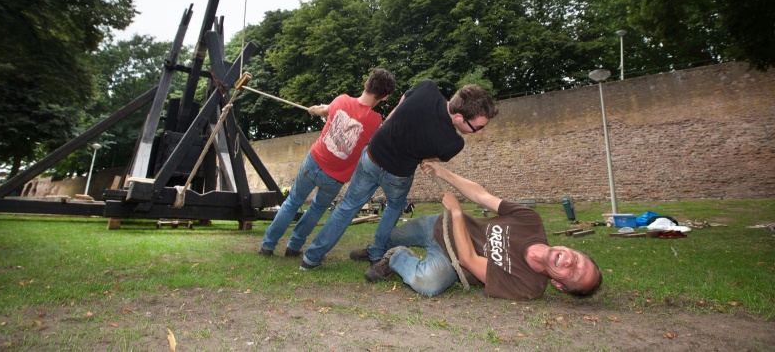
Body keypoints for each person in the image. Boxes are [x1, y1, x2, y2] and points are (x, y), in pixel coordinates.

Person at [300, 80, 498, 270]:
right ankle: (377, 253)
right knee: (394, 207)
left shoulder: (427, 87)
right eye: (478, 127)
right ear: (458, 118)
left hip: (372, 157)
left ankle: (311, 258)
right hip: (398, 175)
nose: (479, 132)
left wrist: (389, 125)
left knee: (347, 207)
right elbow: (428, 158)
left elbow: (399, 106)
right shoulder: (454, 144)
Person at [363, 161, 603, 300]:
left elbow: (467, 260)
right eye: (580, 261)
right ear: (572, 250)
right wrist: (441, 171)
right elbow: (481, 195)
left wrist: (457, 211)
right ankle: (376, 249)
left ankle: (396, 257)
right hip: (440, 225)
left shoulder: (529, 286)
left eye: (575, 275)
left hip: (451, 261)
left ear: (559, 285)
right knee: (386, 235)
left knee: (428, 282)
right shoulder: (530, 221)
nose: (572, 263)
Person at [258, 68, 396, 257]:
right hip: (335, 178)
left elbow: (324, 110)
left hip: (313, 162)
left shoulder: (341, 100)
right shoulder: (375, 121)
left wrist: (315, 111)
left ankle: (267, 246)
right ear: (385, 97)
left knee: (292, 202)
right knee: (317, 209)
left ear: (366, 84)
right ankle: (294, 247)